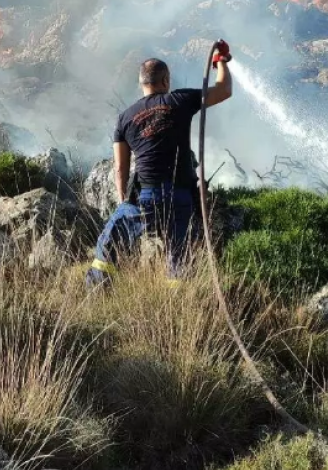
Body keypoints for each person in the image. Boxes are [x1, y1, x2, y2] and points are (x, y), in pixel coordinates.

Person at [87, 41, 233, 288]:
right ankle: (176, 303)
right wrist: (221, 61)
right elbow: (223, 89)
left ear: (142, 83)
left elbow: (121, 168)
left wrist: (124, 201)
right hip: (180, 196)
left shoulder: (125, 118)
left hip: (145, 198)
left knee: (108, 244)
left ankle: (98, 290)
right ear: (166, 81)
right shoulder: (180, 100)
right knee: (178, 257)